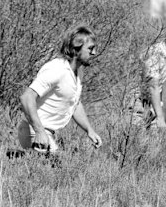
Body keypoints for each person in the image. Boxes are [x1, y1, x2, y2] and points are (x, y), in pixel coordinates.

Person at [18, 25, 103, 153]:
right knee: (59, 168)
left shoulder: (78, 72)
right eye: (90, 48)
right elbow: (26, 97)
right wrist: (39, 131)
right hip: (35, 131)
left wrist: (89, 130)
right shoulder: (57, 69)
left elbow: (74, 103)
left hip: (48, 133)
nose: (94, 53)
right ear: (76, 48)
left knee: (60, 166)